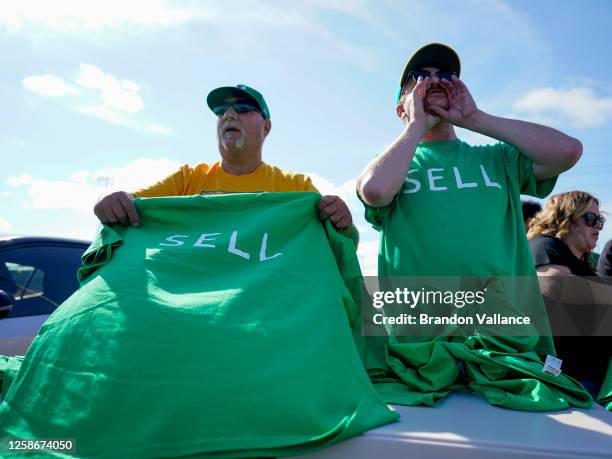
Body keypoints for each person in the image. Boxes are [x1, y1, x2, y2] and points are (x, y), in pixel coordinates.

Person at [94, 84, 353, 233]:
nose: (229, 115)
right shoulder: (187, 180)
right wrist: (111, 201)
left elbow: (340, 243)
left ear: (267, 127)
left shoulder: (297, 188)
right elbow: (129, 204)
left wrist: (342, 220)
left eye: (242, 109)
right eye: (221, 112)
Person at [528, 191, 612, 395]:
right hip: (565, 378)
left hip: (588, 378)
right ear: (565, 217)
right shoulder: (545, 244)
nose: (598, 226)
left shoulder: (583, 263)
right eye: (591, 219)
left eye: (600, 221)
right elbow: (555, 284)